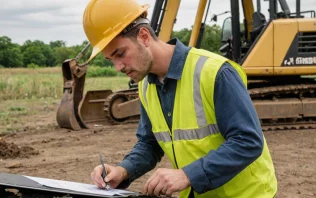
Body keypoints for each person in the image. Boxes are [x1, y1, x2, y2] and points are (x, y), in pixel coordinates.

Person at [85, 0, 278, 197]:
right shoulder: (146, 86)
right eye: (112, 60)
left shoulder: (215, 72)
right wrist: (122, 170)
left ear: (143, 37)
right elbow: (150, 144)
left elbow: (248, 141)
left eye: (121, 54)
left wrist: (188, 175)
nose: (118, 67)